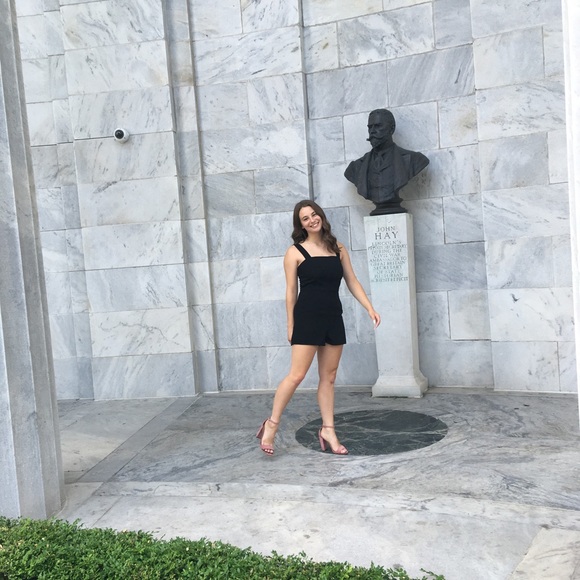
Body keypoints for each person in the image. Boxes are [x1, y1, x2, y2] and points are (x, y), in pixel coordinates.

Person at [257, 200, 381, 456]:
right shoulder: (294, 252)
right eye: (305, 218)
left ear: (321, 216)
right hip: (307, 318)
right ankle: (271, 424)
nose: (312, 220)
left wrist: (369, 307)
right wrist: (290, 325)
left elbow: (352, 281)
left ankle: (328, 430)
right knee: (297, 375)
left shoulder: (338, 248)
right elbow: (291, 292)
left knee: (329, 377)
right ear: (300, 225)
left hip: (333, 317)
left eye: (314, 214)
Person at [344, 108, 429, 215]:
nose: (372, 131)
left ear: (391, 129)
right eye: (370, 127)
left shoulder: (413, 159)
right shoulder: (356, 167)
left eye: (378, 126)